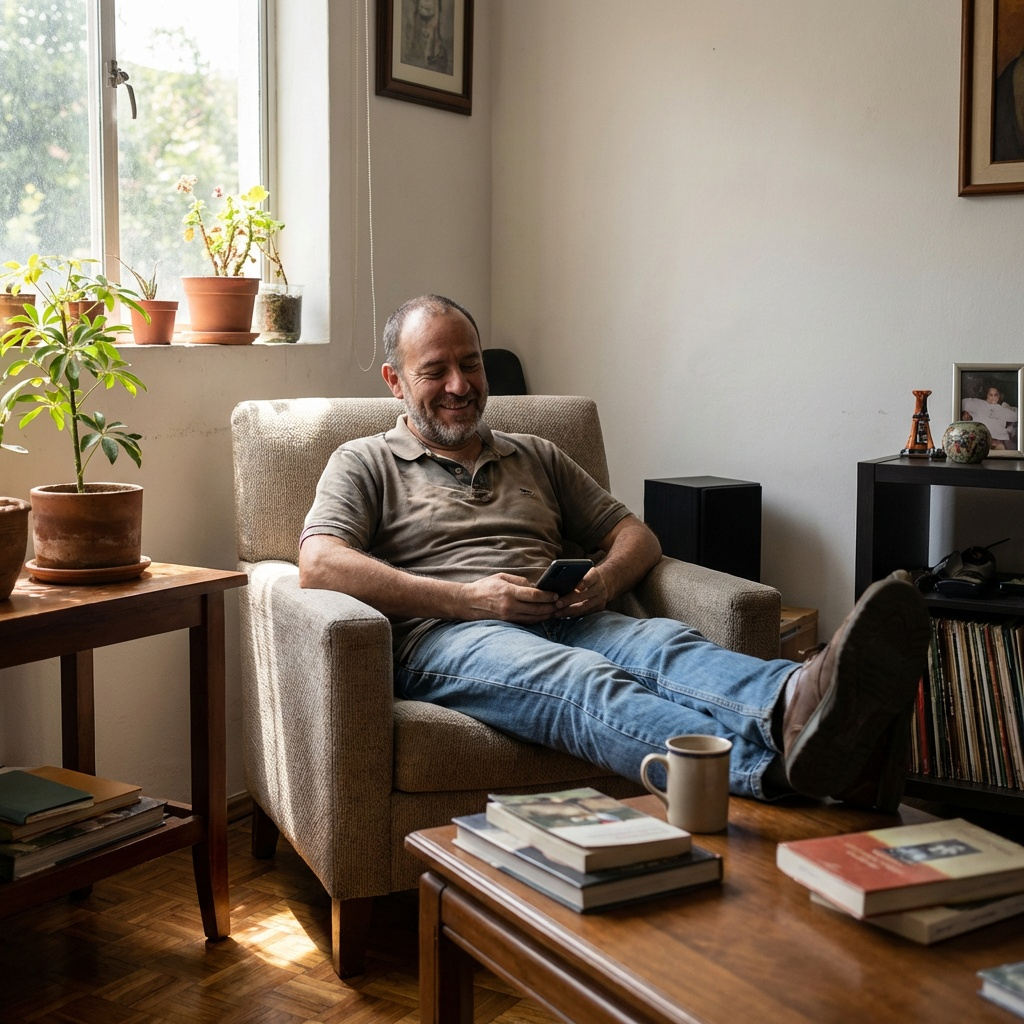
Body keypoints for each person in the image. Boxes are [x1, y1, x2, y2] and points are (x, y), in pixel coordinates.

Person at [299, 295, 930, 812]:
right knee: (582, 680)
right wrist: (469, 599)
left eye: (471, 364)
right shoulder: (364, 461)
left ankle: (797, 699)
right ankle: (780, 772)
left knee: (666, 644)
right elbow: (319, 562)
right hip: (453, 635)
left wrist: (603, 581)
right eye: (435, 371)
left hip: (568, 614)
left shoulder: (536, 453)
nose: (460, 385)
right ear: (395, 381)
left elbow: (638, 536)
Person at [961, 384, 1019, 451]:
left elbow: (1016, 416)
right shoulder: (978, 404)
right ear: (986, 395)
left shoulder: (1002, 409)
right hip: (982, 439)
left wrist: (1008, 408)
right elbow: (960, 402)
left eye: (995, 395)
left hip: (1001, 440)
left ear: (999, 396)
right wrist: (963, 414)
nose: (993, 397)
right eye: (990, 395)